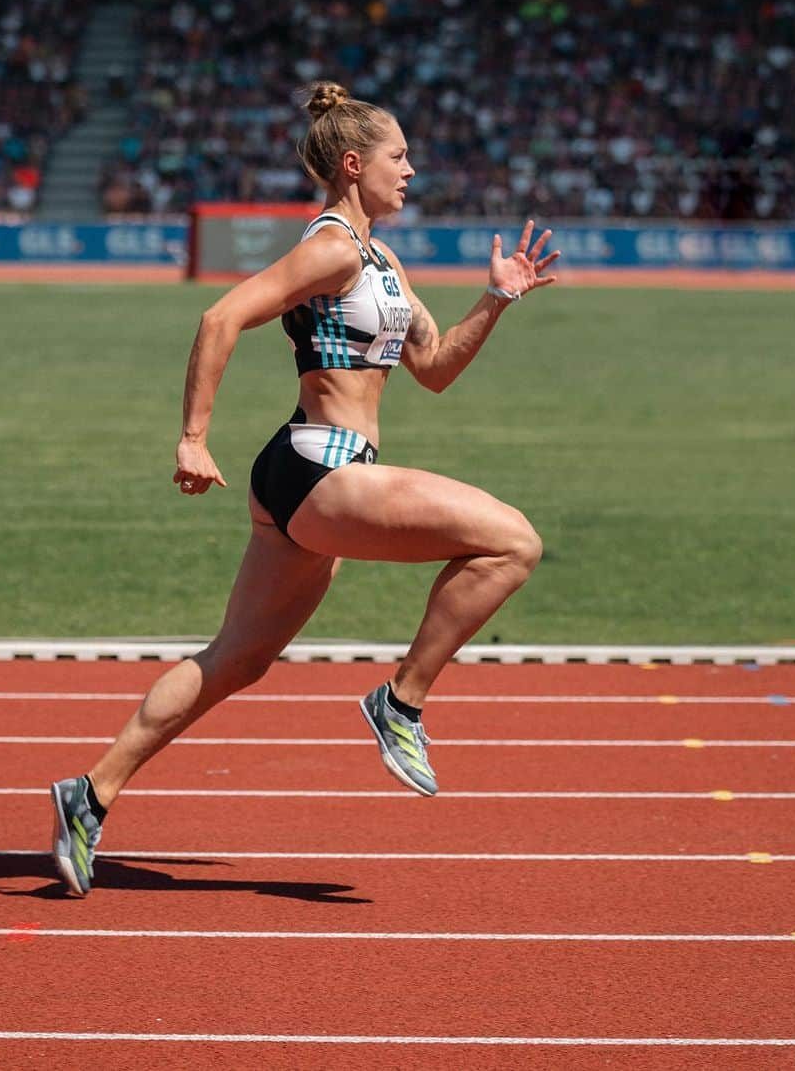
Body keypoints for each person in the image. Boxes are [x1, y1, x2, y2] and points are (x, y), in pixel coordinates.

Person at [50, 81, 560, 897]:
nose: (413, 169)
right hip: (321, 466)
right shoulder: (331, 248)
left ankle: (90, 792)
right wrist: (191, 436)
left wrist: (496, 299)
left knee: (235, 661)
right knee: (513, 539)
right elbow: (222, 317)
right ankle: (402, 702)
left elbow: (432, 370)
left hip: (309, 478)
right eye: (400, 156)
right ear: (354, 164)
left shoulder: (382, 260)